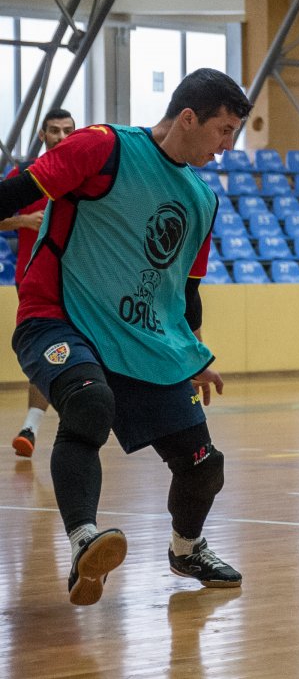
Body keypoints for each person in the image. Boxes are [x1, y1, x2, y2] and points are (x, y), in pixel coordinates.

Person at [0, 68, 251, 605]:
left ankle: (187, 548)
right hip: (57, 316)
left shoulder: (202, 201)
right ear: (189, 118)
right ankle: (85, 540)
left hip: (143, 340)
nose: (227, 147)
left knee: (204, 465)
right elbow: (17, 192)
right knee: (89, 404)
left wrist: (194, 355)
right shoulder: (103, 147)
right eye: (223, 130)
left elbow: (186, 292)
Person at [3, 108, 75, 458]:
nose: (61, 137)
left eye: (67, 131)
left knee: (63, 354)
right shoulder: (26, 176)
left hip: (78, 282)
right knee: (49, 351)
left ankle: (46, 421)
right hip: (34, 281)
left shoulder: (84, 175)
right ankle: (33, 424)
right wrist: (23, 221)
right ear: (42, 135)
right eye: (54, 131)